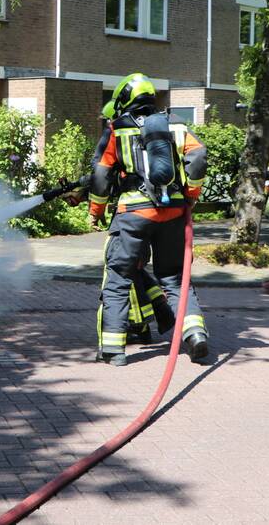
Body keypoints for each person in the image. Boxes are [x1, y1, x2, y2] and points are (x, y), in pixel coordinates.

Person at [89, 73, 210, 366]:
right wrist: (191, 195)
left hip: (133, 214)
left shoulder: (116, 130)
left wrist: (97, 210)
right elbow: (198, 156)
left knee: (118, 278)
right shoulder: (177, 126)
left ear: (124, 100)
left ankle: (113, 350)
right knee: (176, 279)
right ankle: (194, 334)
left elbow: (102, 174)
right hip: (174, 213)